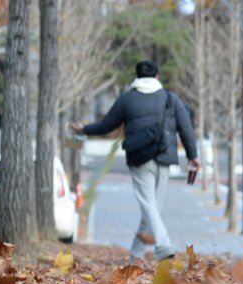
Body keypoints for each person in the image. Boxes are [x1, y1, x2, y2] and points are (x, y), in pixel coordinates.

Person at [70, 60, 199, 262]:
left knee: (149, 207)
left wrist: (84, 129)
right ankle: (137, 255)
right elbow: (186, 128)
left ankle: (161, 246)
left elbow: (106, 126)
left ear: (137, 77)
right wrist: (193, 156)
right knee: (152, 207)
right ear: (157, 77)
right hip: (164, 157)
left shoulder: (127, 99)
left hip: (139, 159)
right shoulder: (170, 98)